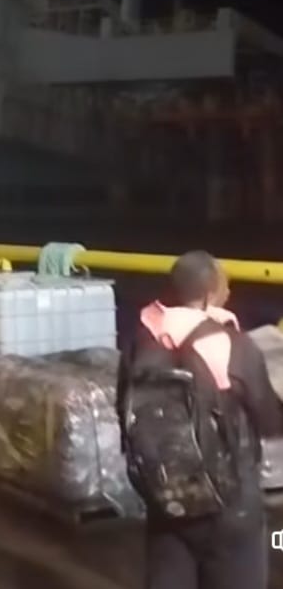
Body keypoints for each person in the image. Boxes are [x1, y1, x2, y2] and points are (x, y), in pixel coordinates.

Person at [117, 250, 283, 589]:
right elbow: (269, 421)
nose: (230, 293)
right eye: (225, 286)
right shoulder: (232, 345)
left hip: (167, 498)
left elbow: (125, 410)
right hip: (229, 506)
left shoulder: (143, 340)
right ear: (211, 293)